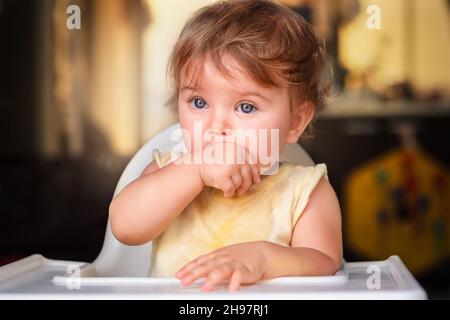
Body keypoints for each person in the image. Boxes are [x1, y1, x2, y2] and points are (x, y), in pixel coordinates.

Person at [109, 0, 342, 292]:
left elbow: (325, 263)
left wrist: (263, 258)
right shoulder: (170, 169)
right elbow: (125, 226)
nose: (216, 127)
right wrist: (195, 170)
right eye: (198, 102)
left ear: (296, 122)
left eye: (245, 107)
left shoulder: (306, 192)